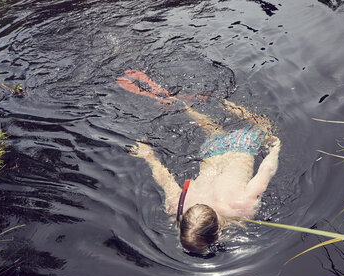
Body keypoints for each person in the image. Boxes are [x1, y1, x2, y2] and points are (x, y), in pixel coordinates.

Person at [116, 70, 281, 253]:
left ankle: (217, 106)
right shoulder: (177, 206)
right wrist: (149, 156)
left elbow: (266, 169)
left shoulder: (242, 207)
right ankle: (191, 107)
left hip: (241, 148)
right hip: (211, 150)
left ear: (217, 234)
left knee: (263, 125)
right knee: (216, 131)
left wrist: (275, 149)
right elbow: (165, 179)